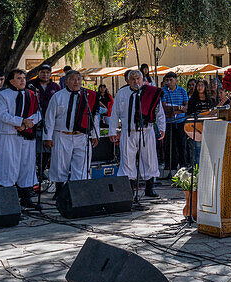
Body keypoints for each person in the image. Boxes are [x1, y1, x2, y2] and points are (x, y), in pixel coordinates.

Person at [110, 69, 166, 198]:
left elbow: (159, 112)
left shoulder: (150, 93)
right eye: (133, 79)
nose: (136, 81)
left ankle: (149, 188)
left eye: (138, 79)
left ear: (142, 80)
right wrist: (112, 131)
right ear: (128, 81)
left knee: (149, 159)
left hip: (147, 131)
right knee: (127, 159)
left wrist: (162, 127)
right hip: (128, 132)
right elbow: (114, 113)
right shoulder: (122, 93)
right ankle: (130, 189)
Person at [0, 69, 42, 207]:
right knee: (9, 165)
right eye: (19, 78)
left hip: (27, 134)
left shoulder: (32, 94)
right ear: (11, 81)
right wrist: (21, 121)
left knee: (27, 164)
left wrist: (29, 123)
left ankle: (26, 197)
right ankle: (8, 199)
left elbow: (39, 112)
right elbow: (2, 115)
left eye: (24, 78)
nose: (22, 81)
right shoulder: (2, 95)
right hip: (9, 135)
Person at [44, 71, 99, 187]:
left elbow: (94, 117)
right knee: (60, 165)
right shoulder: (58, 96)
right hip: (62, 135)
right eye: (73, 79)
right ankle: (60, 192)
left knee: (81, 166)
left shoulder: (88, 96)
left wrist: (95, 134)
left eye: (79, 79)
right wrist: (47, 137)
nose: (76, 82)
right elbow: (49, 118)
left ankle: (78, 192)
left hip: (82, 136)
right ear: (66, 81)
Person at [160, 72, 188, 172]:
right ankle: (170, 165)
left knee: (181, 144)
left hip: (180, 121)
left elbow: (185, 108)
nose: (168, 82)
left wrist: (173, 109)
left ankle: (183, 165)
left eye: (171, 80)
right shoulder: (163, 91)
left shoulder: (182, 91)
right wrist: (178, 108)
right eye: (167, 80)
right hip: (168, 122)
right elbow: (164, 108)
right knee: (169, 145)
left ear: (176, 80)